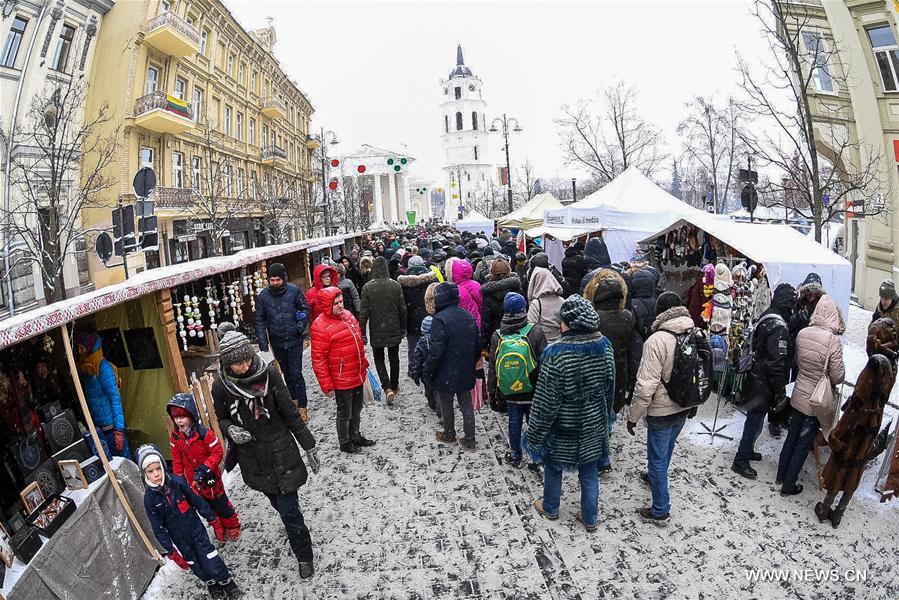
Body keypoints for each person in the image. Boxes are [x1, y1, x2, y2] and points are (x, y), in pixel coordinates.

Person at [211, 323, 319, 580]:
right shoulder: (220, 387)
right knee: (278, 504)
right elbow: (222, 417)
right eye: (237, 364)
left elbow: (290, 413)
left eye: (247, 359)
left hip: (282, 451)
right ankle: (292, 524)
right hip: (254, 459)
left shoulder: (270, 374)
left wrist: (309, 445)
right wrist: (230, 430)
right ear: (227, 364)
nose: (245, 366)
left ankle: (304, 556)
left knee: (291, 513)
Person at [525, 295, 614, 533]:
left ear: (571, 323)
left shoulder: (556, 354)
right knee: (589, 469)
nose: (559, 324)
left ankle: (551, 506)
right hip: (593, 422)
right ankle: (590, 516)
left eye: (562, 320)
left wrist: (534, 435)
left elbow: (545, 403)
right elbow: (609, 388)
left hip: (564, 426)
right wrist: (607, 419)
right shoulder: (604, 346)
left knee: (553, 466)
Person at [626, 292, 696, 526]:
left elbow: (646, 386)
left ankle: (660, 510)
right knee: (666, 449)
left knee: (656, 457)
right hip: (684, 405)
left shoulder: (656, 341)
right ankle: (656, 478)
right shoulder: (694, 332)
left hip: (661, 409)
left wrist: (633, 416)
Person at [137, 444, 242, 599]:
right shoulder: (150, 499)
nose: (156, 474)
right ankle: (211, 583)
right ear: (145, 473)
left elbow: (197, 501)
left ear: (163, 466)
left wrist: (213, 519)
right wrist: (171, 551)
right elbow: (157, 527)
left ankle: (226, 581)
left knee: (210, 559)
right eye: (151, 471)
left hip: (196, 531)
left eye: (158, 468)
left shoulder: (178, 483)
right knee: (196, 565)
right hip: (180, 540)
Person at [776, 294, 845, 496]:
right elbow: (837, 375)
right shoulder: (833, 341)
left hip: (799, 393)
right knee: (803, 441)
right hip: (817, 399)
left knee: (792, 435)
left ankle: (781, 474)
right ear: (833, 315)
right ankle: (789, 485)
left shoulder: (803, 333)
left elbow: (797, 361)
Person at [817, 352, 893, 527]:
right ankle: (839, 514)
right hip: (865, 440)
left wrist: (836, 436)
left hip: (851, 438)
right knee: (854, 474)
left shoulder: (860, 402)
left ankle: (825, 509)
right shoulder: (883, 388)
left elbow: (848, 419)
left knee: (840, 470)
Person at [732, 283, 797, 480]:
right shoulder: (779, 327)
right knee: (754, 420)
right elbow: (776, 363)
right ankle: (740, 460)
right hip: (764, 383)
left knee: (754, 418)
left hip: (755, 377)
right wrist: (780, 392)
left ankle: (748, 450)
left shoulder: (768, 315)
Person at [167, 393, 241, 542]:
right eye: (176, 417)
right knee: (205, 506)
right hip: (194, 482)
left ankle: (232, 524)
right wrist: (179, 479)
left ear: (191, 416)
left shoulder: (204, 434)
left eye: (182, 416)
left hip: (211, 478)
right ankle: (218, 525)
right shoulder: (175, 438)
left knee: (220, 503)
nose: (179, 421)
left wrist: (205, 467)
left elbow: (217, 452)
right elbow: (177, 461)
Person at [585, 268, 638, 473]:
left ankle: (599, 456)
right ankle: (603, 456)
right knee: (608, 416)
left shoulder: (593, 317)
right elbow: (632, 350)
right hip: (618, 373)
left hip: (595, 372)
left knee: (595, 415)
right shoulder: (627, 316)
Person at [311, 288, 375, 453]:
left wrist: (364, 363)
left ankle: (355, 436)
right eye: (336, 303)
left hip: (356, 372)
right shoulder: (320, 326)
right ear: (327, 305)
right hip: (341, 379)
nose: (340, 306)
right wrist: (327, 385)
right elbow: (319, 359)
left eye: (341, 302)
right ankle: (345, 442)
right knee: (345, 412)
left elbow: (356, 342)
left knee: (357, 408)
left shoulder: (348, 316)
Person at [487, 292, 547, 468]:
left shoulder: (498, 335)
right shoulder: (535, 331)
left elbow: (492, 367)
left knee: (514, 421)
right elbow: (544, 362)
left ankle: (515, 454)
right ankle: (537, 457)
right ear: (524, 309)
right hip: (532, 387)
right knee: (533, 422)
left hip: (510, 389)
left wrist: (492, 392)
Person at [424, 282, 481, 451]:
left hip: (445, 370)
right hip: (465, 368)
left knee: (447, 403)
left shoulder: (440, 320)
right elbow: (477, 343)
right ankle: (470, 439)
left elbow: (436, 350)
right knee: (466, 405)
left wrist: (428, 370)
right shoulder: (468, 315)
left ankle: (449, 434)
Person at [255, 262, 311, 422]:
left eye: (277, 280)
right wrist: (263, 343)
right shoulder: (263, 297)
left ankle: (302, 405)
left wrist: (299, 327)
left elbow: (304, 309)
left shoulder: (294, 291)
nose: (274, 283)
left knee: (296, 373)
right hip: (277, 341)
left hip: (294, 340)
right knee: (286, 374)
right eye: (272, 280)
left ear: (283, 278)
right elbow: (260, 321)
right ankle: (293, 400)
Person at [75, 328, 130, 458]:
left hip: (111, 428)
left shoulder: (103, 367)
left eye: (81, 347)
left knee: (124, 462)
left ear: (89, 347)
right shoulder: (86, 368)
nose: (79, 351)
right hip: (99, 429)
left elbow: (115, 399)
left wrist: (118, 430)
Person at [359, 256, 407, 404]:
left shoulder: (368, 287)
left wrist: (362, 332)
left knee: (379, 358)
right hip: (393, 326)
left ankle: (387, 387)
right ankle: (394, 384)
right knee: (394, 357)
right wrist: (403, 327)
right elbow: (402, 309)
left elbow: (364, 313)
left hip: (377, 329)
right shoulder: (395, 285)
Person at [398, 255, 439, 367]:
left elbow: (401, 305)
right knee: (431, 344)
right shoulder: (432, 280)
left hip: (411, 320)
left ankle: (414, 367)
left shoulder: (403, 283)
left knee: (413, 346)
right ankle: (429, 366)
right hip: (429, 318)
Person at [480, 259, 522, 348]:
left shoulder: (488, 293)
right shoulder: (516, 288)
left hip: (497, 335)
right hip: (518, 334)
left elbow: (486, 320)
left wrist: (486, 341)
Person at [408, 316, 438, 418]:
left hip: (426, 371)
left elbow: (416, 359)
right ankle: (439, 405)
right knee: (437, 389)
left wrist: (414, 373)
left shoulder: (421, 342)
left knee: (429, 390)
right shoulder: (439, 340)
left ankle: (433, 405)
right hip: (438, 369)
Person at [527, 266, 564, 343]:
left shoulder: (536, 304)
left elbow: (530, 327)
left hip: (542, 346)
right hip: (559, 343)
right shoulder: (562, 301)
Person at [451, 259, 483, 328]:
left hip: (460, 322)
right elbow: (481, 302)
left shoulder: (453, 288)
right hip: (475, 319)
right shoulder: (475, 285)